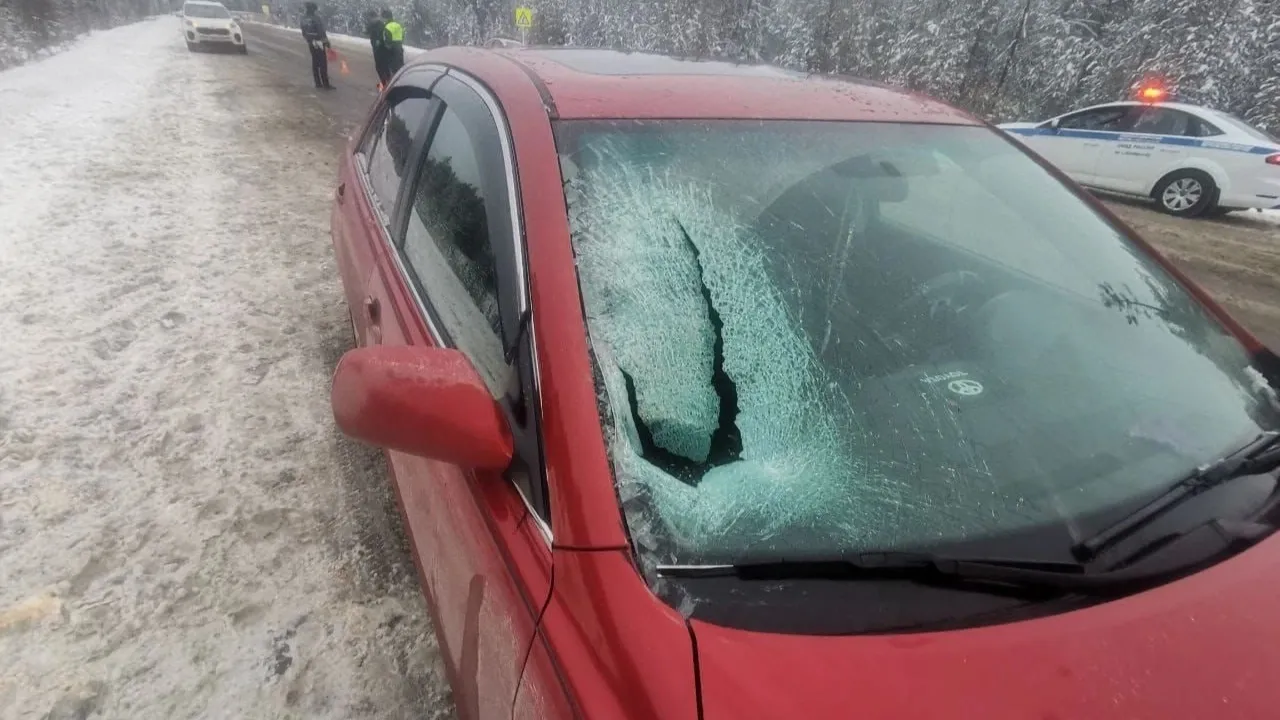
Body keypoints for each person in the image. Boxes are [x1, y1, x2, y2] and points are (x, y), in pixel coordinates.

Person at [300, 2, 333, 89]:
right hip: (319, 42)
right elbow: (321, 31)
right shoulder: (316, 18)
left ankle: (317, 83)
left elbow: (303, 32)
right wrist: (326, 42)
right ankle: (325, 84)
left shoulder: (303, 19)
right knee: (322, 63)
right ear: (313, 9)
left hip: (311, 43)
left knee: (315, 62)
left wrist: (309, 40)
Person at [364, 9, 390, 87]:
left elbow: (367, 32)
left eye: (369, 17)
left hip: (378, 48)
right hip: (381, 47)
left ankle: (385, 84)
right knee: (384, 66)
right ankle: (388, 83)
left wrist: (377, 42)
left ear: (372, 17)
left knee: (380, 67)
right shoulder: (379, 23)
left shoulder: (375, 23)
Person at [381, 9, 405, 77]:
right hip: (399, 47)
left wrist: (387, 46)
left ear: (386, 18)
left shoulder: (387, 26)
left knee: (392, 67)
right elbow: (403, 35)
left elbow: (387, 38)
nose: (382, 20)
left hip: (391, 48)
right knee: (400, 64)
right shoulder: (398, 24)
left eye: (383, 18)